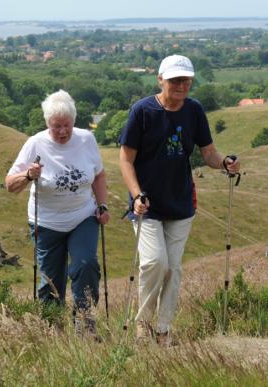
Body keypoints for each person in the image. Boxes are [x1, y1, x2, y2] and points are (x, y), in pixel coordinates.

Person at [119, 55, 240, 347]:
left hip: (181, 202)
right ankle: (142, 327)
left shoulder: (194, 110)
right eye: (174, 80)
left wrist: (224, 162)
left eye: (186, 80)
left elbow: (208, 152)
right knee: (153, 263)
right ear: (160, 79)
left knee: (173, 268)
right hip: (146, 204)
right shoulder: (143, 110)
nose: (181, 85)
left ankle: (163, 331)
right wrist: (136, 195)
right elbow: (125, 159)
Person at [6, 90, 110, 337]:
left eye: (67, 126)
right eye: (56, 127)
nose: (62, 132)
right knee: (51, 282)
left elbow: (98, 174)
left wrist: (102, 205)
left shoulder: (86, 139)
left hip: (82, 216)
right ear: (46, 123)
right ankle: (51, 330)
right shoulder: (35, 144)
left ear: (74, 121)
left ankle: (84, 325)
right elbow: (10, 185)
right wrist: (28, 175)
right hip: (47, 222)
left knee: (86, 265)